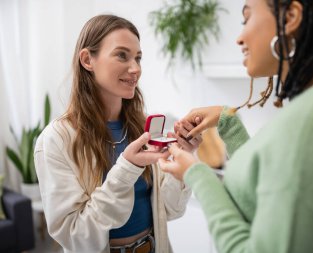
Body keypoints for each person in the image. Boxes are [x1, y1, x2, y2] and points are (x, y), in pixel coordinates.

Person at [159, 0, 313, 253]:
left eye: (247, 18)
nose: (239, 39)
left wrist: (197, 175)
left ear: (290, 17)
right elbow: (264, 188)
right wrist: (226, 121)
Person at [34, 14, 201, 253]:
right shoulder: (55, 140)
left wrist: (183, 158)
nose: (135, 69)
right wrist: (127, 168)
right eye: (122, 55)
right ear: (87, 59)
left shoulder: (141, 127)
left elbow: (170, 210)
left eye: (138, 58)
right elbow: (76, 238)